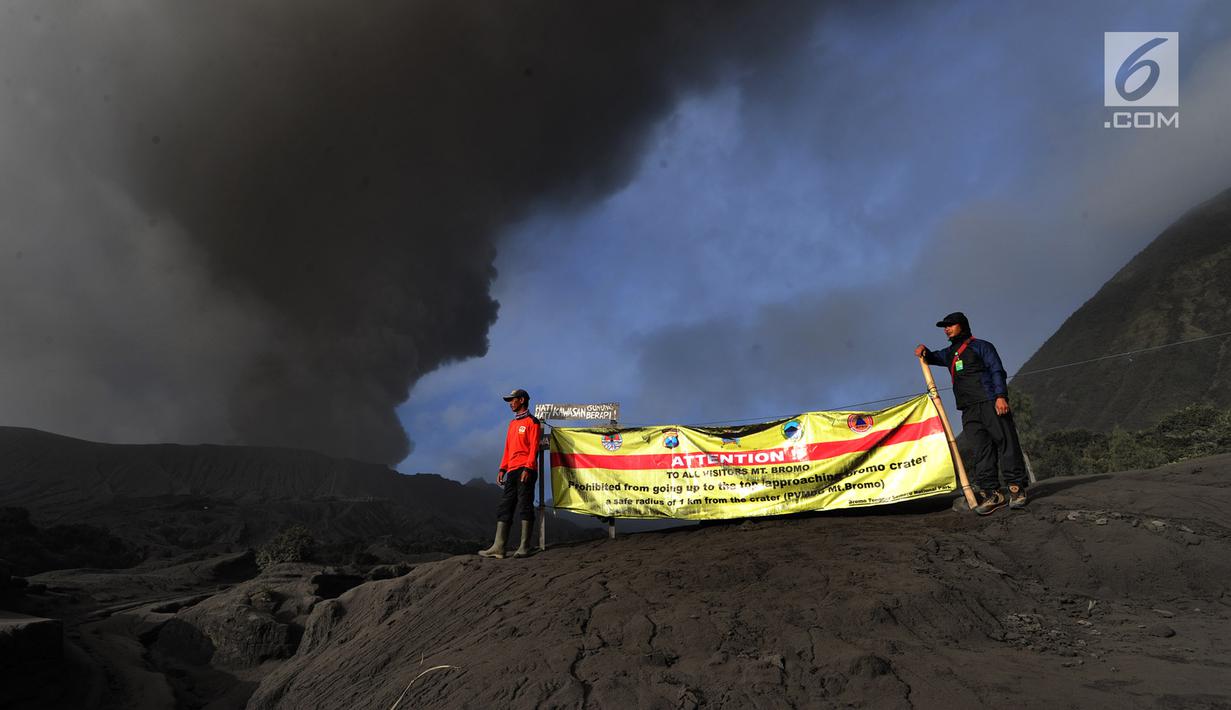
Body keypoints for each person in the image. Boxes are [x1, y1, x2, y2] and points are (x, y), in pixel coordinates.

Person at [915, 312, 1028, 515]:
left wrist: (1001, 396)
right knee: (981, 451)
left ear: (962, 326)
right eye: (944, 326)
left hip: (990, 402)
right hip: (968, 409)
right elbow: (932, 357)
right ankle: (993, 494)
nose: (946, 329)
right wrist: (924, 351)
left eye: (950, 325)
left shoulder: (981, 346)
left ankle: (1016, 489)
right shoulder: (950, 352)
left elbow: (996, 370)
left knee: (1006, 443)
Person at [478, 388, 543, 559]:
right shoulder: (512, 424)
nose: (510, 403)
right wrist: (502, 468)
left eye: (512, 400)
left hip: (525, 470)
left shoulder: (532, 422)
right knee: (505, 506)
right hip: (512, 470)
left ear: (521, 400)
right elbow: (507, 449)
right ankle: (499, 547)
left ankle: (524, 547)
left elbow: (534, 447)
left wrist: (529, 468)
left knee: (525, 505)